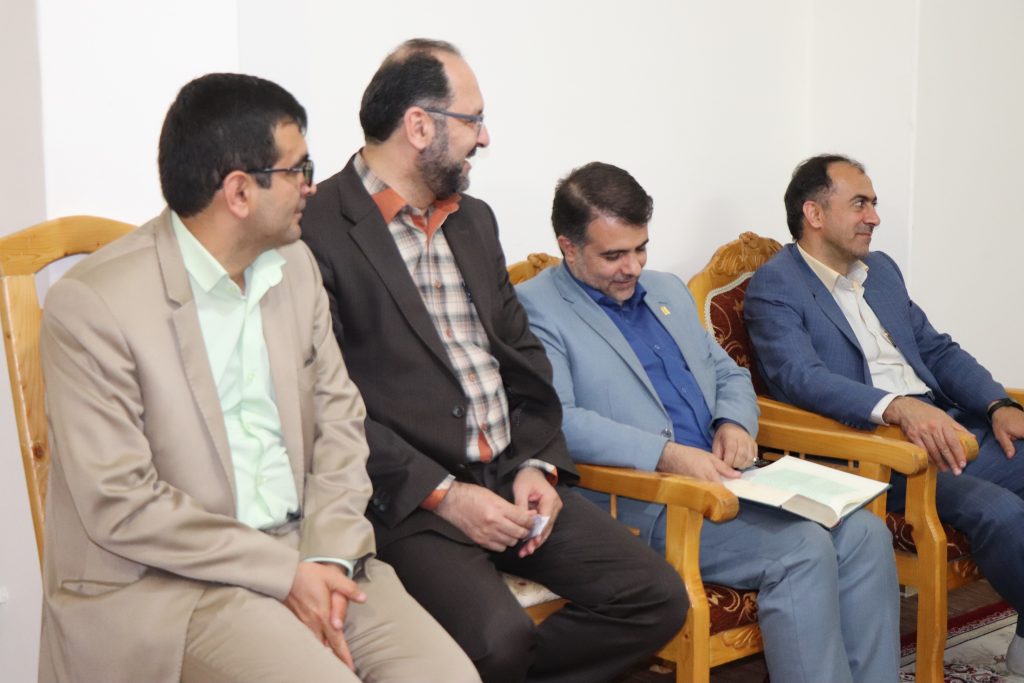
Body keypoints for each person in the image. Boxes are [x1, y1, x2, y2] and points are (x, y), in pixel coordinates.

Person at [37, 73, 479, 683]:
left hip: (311, 548)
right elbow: (121, 503)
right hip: (176, 583)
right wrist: (281, 574)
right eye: (298, 170)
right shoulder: (94, 305)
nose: (312, 186)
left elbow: (341, 424)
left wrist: (325, 556)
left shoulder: (294, 266)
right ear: (239, 192)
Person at [300, 40, 686, 683]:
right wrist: (446, 496)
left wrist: (538, 463)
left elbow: (523, 361)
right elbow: (322, 402)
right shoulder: (316, 228)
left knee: (655, 598)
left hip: (509, 474)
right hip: (409, 499)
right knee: (499, 643)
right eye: (473, 119)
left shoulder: (473, 221)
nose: (484, 137)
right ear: (419, 126)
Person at [516, 161, 900, 683]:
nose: (632, 267)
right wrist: (668, 456)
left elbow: (727, 373)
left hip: (734, 481)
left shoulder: (667, 291)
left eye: (640, 248)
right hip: (647, 500)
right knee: (802, 549)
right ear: (569, 247)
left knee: (865, 533)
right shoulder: (535, 308)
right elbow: (558, 421)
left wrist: (733, 423)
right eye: (614, 255)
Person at [744, 153, 1024, 675]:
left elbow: (937, 350)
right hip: (877, 454)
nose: (874, 217)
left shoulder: (881, 271)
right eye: (860, 204)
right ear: (814, 213)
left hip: (947, 426)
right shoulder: (777, 285)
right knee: (1002, 512)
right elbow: (799, 377)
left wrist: (998, 404)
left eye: (873, 203)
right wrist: (896, 407)